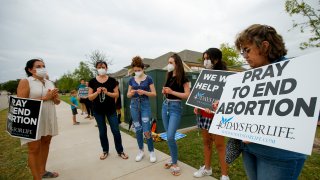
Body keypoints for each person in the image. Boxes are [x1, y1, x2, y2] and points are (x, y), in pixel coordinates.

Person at [234, 24, 307, 180]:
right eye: (242, 51)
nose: (244, 56)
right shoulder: (250, 77)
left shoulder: (298, 71)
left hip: (278, 156)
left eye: (247, 50)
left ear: (265, 46)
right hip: (249, 149)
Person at [17, 58, 60, 180]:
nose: (42, 68)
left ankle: (43, 171)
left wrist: (54, 98)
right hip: (31, 120)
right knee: (34, 148)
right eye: (38, 66)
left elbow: (57, 102)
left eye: (43, 66)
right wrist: (45, 98)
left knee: (46, 143)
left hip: (48, 118)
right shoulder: (26, 81)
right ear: (30, 69)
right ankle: (37, 178)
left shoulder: (49, 82)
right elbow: (21, 103)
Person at [193, 48, 229, 180]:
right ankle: (207, 168)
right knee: (206, 142)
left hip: (218, 115)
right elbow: (200, 94)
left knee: (220, 145)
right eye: (204, 59)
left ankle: (225, 175)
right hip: (204, 114)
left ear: (216, 59)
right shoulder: (204, 75)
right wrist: (197, 105)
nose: (205, 61)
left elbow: (228, 97)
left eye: (207, 58)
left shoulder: (226, 76)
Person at [88, 60, 129, 160]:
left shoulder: (112, 81)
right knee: (102, 132)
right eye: (99, 67)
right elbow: (90, 97)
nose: (101, 69)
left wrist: (107, 93)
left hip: (111, 110)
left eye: (103, 67)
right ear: (96, 69)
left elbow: (116, 95)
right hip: (98, 111)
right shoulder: (92, 81)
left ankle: (120, 151)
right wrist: (97, 93)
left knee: (116, 131)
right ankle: (105, 151)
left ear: (106, 68)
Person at [162, 54, 190, 176]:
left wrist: (172, 91)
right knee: (168, 135)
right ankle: (173, 158)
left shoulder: (184, 77)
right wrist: (165, 91)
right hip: (165, 106)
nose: (169, 64)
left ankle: (175, 163)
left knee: (171, 136)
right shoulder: (169, 75)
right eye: (168, 62)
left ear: (177, 64)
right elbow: (167, 91)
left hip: (175, 108)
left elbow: (187, 95)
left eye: (171, 62)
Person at [127, 56, 157, 163]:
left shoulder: (149, 79)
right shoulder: (131, 80)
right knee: (138, 129)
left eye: (139, 70)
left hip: (145, 105)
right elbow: (128, 95)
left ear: (143, 68)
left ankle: (151, 151)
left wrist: (144, 92)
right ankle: (140, 151)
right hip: (134, 105)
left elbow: (154, 93)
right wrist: (131, 93)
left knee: (147, 130)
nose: (137, 72)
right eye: (135, 70)